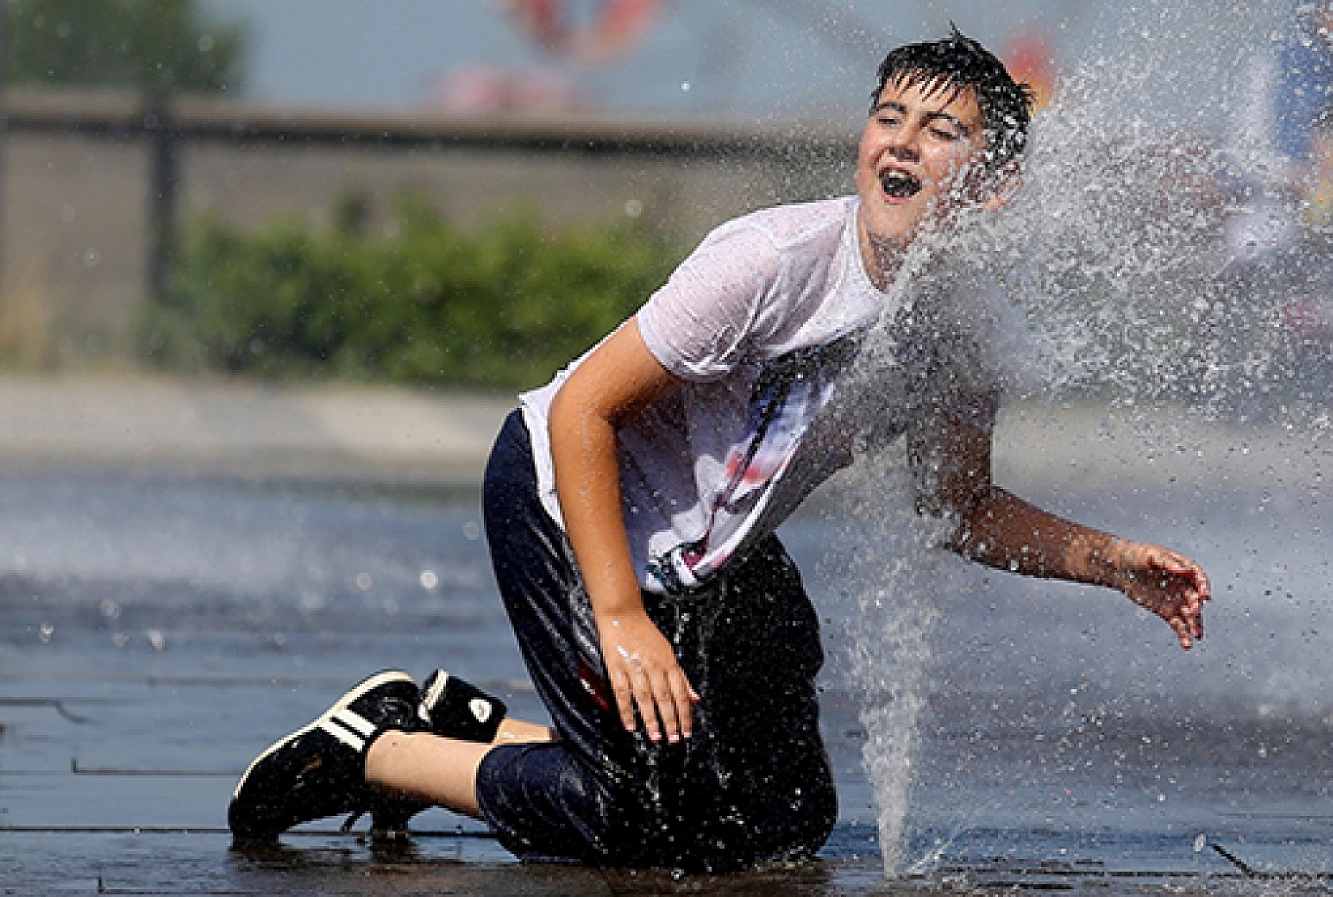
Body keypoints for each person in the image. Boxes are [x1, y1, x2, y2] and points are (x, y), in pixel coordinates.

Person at [227, 27, 1210, 872]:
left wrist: (1106, 561)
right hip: (569, 496)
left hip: (708, 550)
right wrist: (617, 617)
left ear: (995, 187)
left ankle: (481, 731)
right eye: (889, 118)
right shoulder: (770, 265)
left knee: (781, 825)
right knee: (636, 821)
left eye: (942, 131)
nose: (902, 143)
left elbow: (955, 508)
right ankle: (378, 749)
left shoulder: (964, 337)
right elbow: (581, 412)